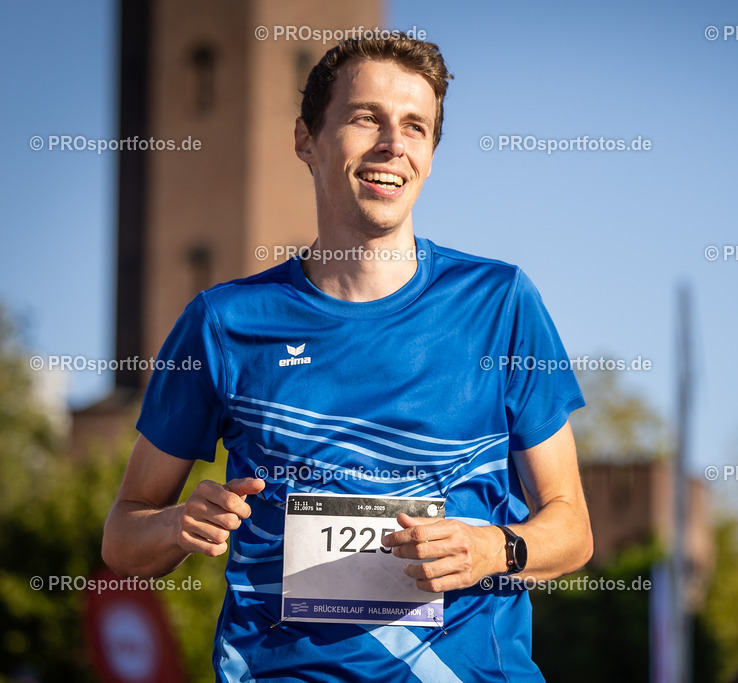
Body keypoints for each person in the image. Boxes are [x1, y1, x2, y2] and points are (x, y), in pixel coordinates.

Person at [102, 36, 593, 682]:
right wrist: (176, 522)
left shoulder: (500, 304)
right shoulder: (222, 322)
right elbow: (122, 538)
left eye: (415, 126)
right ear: (306, 139)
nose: (393, 144)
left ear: (430, 154)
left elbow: (573, 527)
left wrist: (492, 546)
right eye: (366, 118)